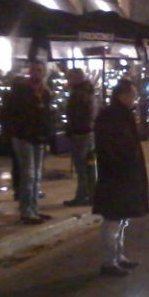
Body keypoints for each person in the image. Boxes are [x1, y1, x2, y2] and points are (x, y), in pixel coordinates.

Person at [92, 78, 149, 276]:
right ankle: (109, 262)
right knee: (113, 219)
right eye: (132, 95)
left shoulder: (123, 114)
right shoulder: (111, 116)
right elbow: (111, 148)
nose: (135, 99)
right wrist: (122, 164)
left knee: (122, 219)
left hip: (125, 175)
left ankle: (119, 256)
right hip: (116, 176)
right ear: (122, 96)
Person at [1, 61, 53, 225]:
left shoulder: (45, 92)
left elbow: (46, 116)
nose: (36, 73)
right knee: (28, 175)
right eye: (34, 70)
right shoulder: (21, 91)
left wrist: (46, 134)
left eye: (39, 70)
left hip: (38, 137)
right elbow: (9, 114)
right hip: (24, 137)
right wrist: (17, 131)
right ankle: (26, 211)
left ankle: (34, 209)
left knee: (36, 175)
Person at [63, 68, 96, 206]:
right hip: (87, 132)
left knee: (82, 166)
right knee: (89, 166)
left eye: (70, 77)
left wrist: (72, 129)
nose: (68, 80)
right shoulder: (88, 91)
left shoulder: (79, 93)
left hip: (80, 133)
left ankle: (82, 195)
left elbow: (76, 114)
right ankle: (91, 194)